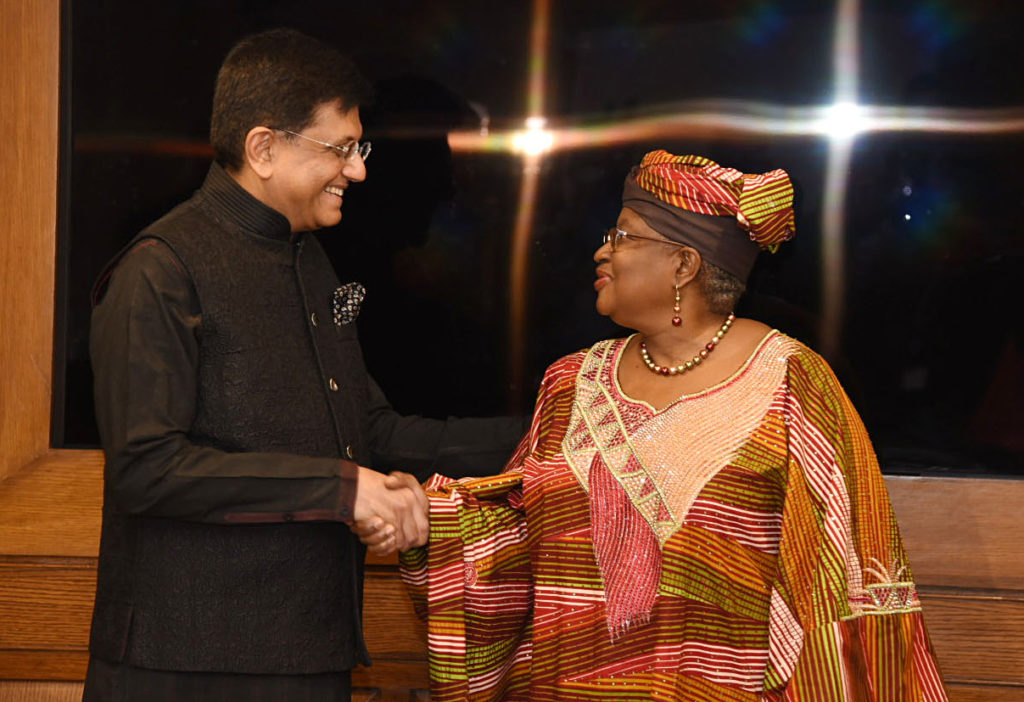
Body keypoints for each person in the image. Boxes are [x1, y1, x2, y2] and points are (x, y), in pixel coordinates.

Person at [400, 151, 948, 701]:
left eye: (623, 235)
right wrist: (427, 518)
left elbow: (844, 567)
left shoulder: (788, 379)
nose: (602, 250)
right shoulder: (572, 381)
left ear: (685, 264)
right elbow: (516, 538)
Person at [84, 28, 523, 701]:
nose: (359, 170)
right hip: (188, 668)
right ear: (263, 148)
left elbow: (368, 435)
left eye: (359, 147)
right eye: (340, 149)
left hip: (309, 653)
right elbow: (148, 468)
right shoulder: (161, 268)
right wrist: (343, 487)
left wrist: (554, 421)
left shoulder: (310, 261)